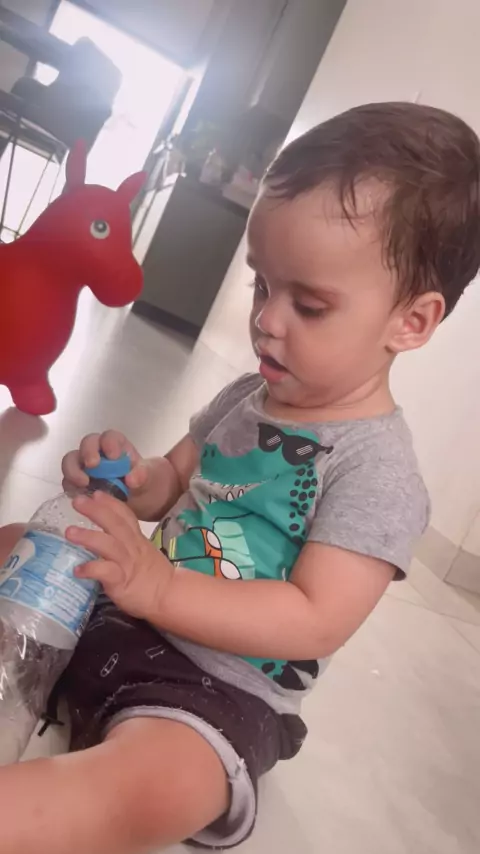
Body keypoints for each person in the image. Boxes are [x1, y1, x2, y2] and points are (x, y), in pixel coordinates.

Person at [1, 101, 480, 854]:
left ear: (411, 322)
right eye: (262, 286)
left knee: (154, 787)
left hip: (212, 691)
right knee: (16, 540)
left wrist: (161, 588)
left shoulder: (378, 472)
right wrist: (129, 477)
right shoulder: (248, 396)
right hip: (120, 613)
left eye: (309, 305)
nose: (266, 320)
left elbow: (315, 617)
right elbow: (174, 480)